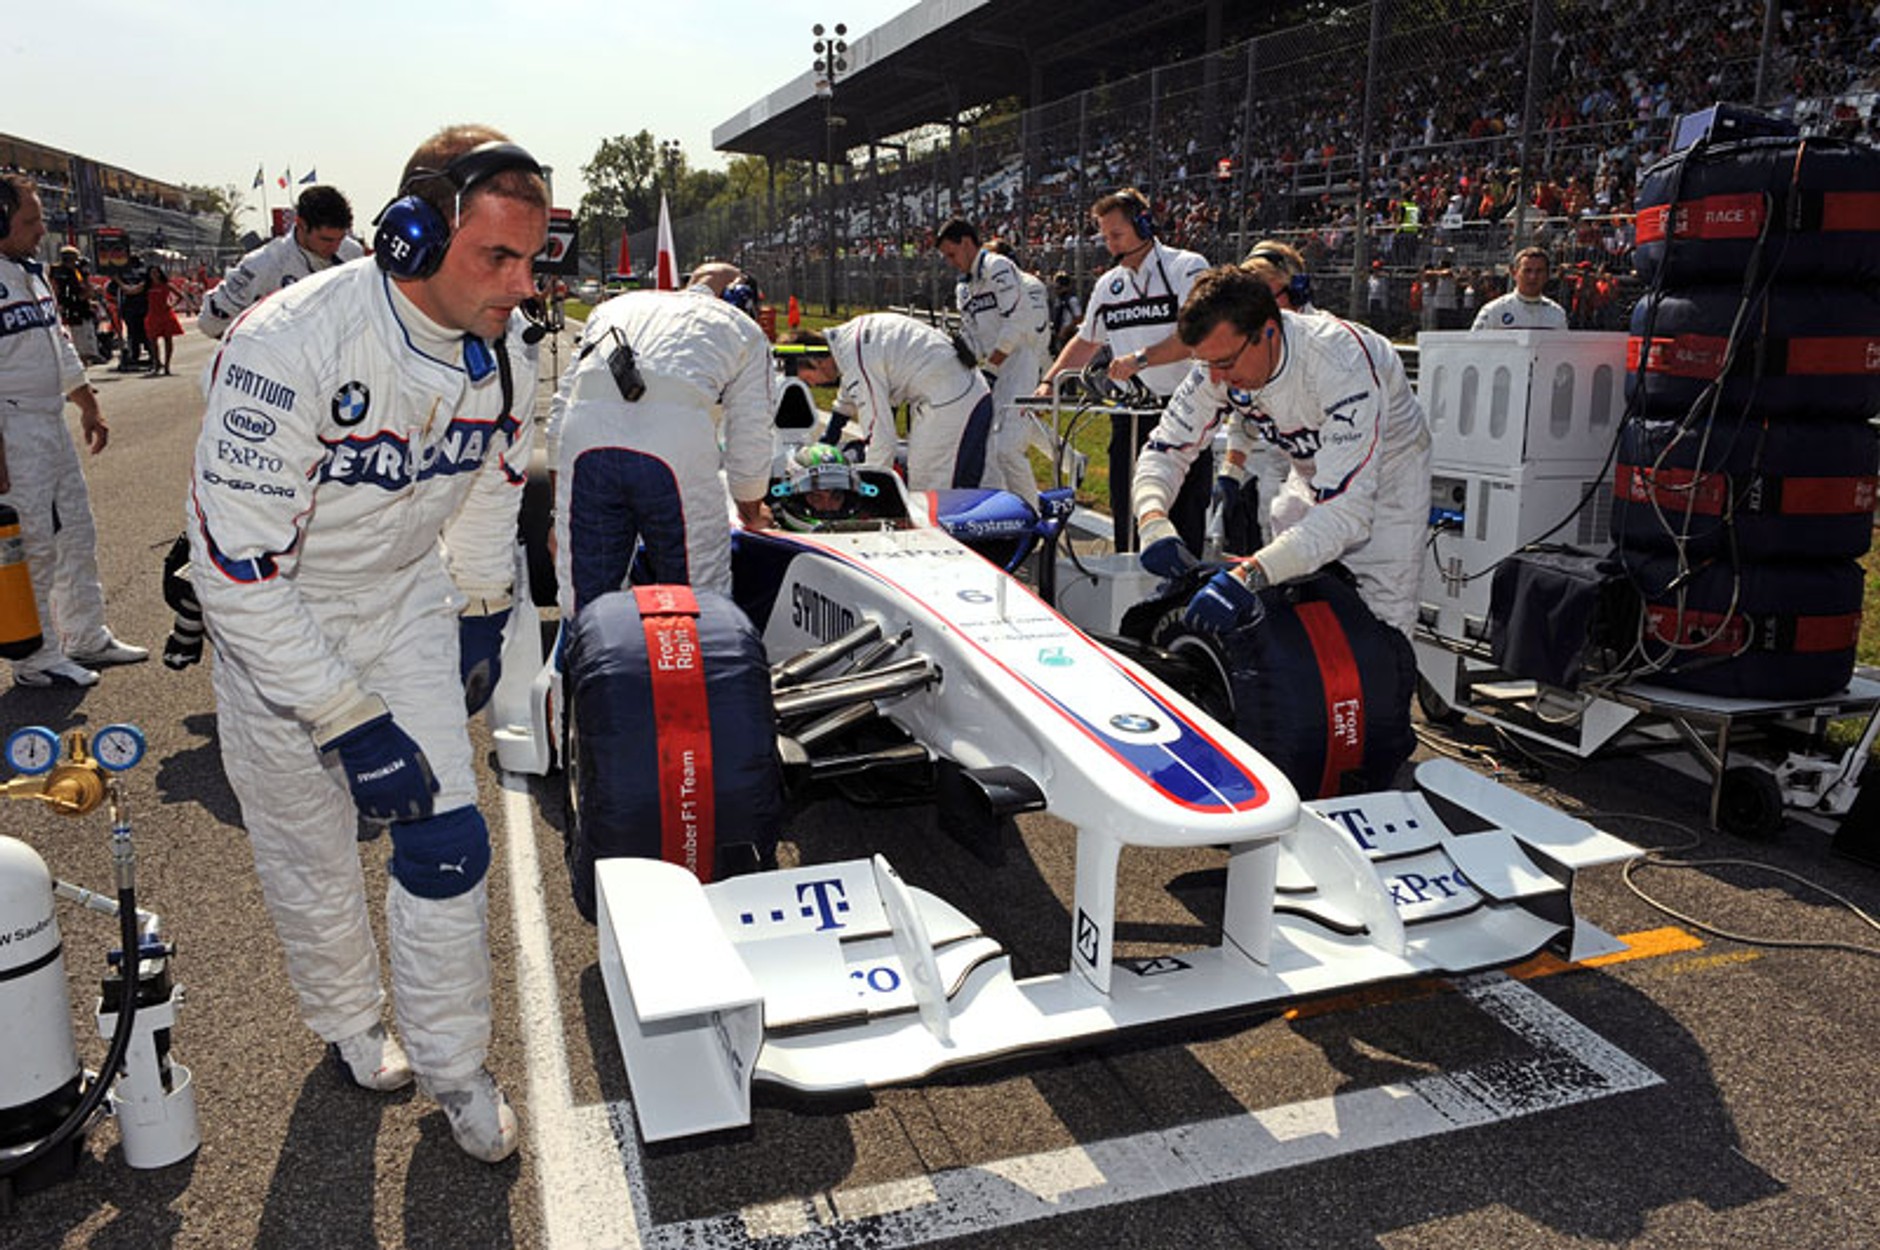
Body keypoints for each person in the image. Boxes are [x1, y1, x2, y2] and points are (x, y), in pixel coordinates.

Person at [186, 125, 546, 1164]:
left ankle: (456, 1066)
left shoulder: (511, 350)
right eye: (498, 257)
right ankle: (349, 1022)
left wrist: (482, 604)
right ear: (410, 237)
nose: (522, 286)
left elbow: (495, 482)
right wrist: (344, 718)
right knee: (309, 853)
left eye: (532, 260)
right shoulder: (286, 344)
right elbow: (235, 569)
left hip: (400, 603)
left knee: (448, 841)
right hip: (276, 623)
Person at [1132, 265, 1431, 638]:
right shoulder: (1218, 362)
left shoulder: (1340, 361)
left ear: (1269, 332)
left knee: (1383, 626)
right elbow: (1165, 448)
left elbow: (1346, 511)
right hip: (1310, 473)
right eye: (1206, 363)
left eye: (1225, 363)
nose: (1216, 377)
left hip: (1389, 481)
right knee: (1292, 610)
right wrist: (1152, 519)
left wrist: (1249, 576)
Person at [547, 265, 774, 616]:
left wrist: (558, 510)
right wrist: (751, 509)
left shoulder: (612, 307)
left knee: (583, 602)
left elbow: (561, 407)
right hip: (675, 450)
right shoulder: (745, 329)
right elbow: (751, 432)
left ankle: (578, 650)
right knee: (699, 598)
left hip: (585, 442)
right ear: (739, 297)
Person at [0, 174, 147, 687]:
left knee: (77, 532)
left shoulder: (32, 273)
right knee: (34, 542)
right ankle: (35, 656)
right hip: (11, 426)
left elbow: (60, 346)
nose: (41, 230)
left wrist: (88, 404)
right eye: (30, 221)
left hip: (48, 421)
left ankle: (85, 636)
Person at [1036, 188, 1212, 552]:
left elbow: (1197, 335)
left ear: (1144, 225)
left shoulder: (1187, 267)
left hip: (1184, 412)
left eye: (1117, 234)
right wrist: (1049, 382)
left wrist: (1139, 360)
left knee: (1182, 516)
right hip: (1129, 414)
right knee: (1127, 513)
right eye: (1105, 237)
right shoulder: (1109, 284)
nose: (1111, 245)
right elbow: (1087, 340)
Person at [777, 313, 993, 492]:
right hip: (961, 391)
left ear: (816, 361)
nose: (813, 385)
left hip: (951, 400)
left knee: (928, 489)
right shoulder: (848, 342)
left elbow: (880, 436)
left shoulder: (856, 356)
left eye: (807, 379)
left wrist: (868, 491)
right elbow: (847, 397)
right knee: (957, 483)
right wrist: (828, 439)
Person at [936, 219, 1044, 506]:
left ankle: (1033, 516)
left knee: (1008, 448)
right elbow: (973, 337)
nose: (951, 262)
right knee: (988, 451)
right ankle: (1000, 515)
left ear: (966, 243)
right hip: (992, 371)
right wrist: (950, 352)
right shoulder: (963, 288)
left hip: (1019, 364)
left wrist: (993, 365)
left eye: (952, 254)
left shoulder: (999, 267)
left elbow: (1018, 321)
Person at [197, 184, 365, 338]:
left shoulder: (353, 252)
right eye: (326, 240)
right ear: (301, 224)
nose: (335, 247)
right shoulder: (264, 265)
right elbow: (210, 323)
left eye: (340, 238)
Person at [1471, 246, 1569, 330]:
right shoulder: (1493, 311)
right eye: (1527, 271)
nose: (1533, 277)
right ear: (1514, 273)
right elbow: (1474, 344)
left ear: (1547, 275)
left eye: (1539, 271)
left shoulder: (1557, 314)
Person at [49, 244, 103, 364]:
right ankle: (82, 361)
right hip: (73, 309)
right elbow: (82, 290)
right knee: (79, 341)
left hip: (72, 307)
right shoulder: (69, 272)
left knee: (80, 337)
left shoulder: (64, 271)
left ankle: (85, 359)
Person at [143, 264, 183, 375]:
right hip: (152, 315)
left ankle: (167, 366)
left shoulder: (166, 285)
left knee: (168, 340)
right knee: (153, 341)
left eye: (156, 272)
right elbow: (131, 290)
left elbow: (180, 296)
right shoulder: (147, 286)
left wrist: (171, 305)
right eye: (152, 273)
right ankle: (156, 365)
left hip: (166, 315)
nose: (154, 275)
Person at [114, 253, 150, 371]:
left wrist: (120, 282)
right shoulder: (124, 272)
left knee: (139, 332)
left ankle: (142, 354)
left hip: (138, 306)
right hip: (133, 307)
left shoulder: (142, 273)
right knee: (136, 332)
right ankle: (136, 354)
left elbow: (135, 289)